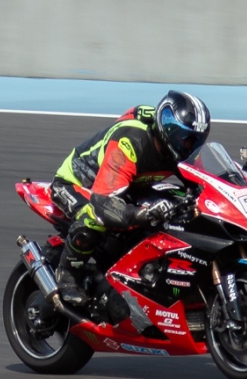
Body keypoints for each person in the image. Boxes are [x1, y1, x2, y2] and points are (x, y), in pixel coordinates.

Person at [49, 90, 211, 310]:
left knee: (175, 204)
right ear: (168, 130)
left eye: (196, 141)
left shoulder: (179, 150)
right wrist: (139, 214)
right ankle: (67, 275)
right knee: (94, 217)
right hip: (78, 185)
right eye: (186, 139)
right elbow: (103, 203)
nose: (189, 147)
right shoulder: (130, 143)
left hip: (127, 186)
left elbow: (201, 184)